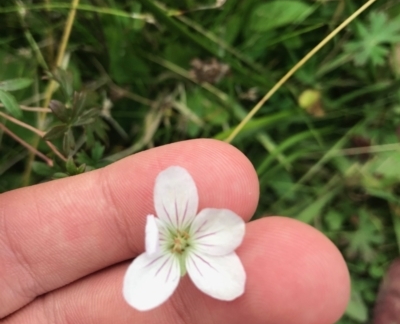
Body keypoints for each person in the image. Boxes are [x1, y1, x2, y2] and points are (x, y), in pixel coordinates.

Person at [0, 139, 350, 324]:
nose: (180, 240)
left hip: (182, 255)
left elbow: (227, 230)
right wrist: (171, 240)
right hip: (164, 248)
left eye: (182, 240)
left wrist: (182, 243)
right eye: (179, 239)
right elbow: (173, 192)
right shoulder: (165, 230)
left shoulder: (201, 235)